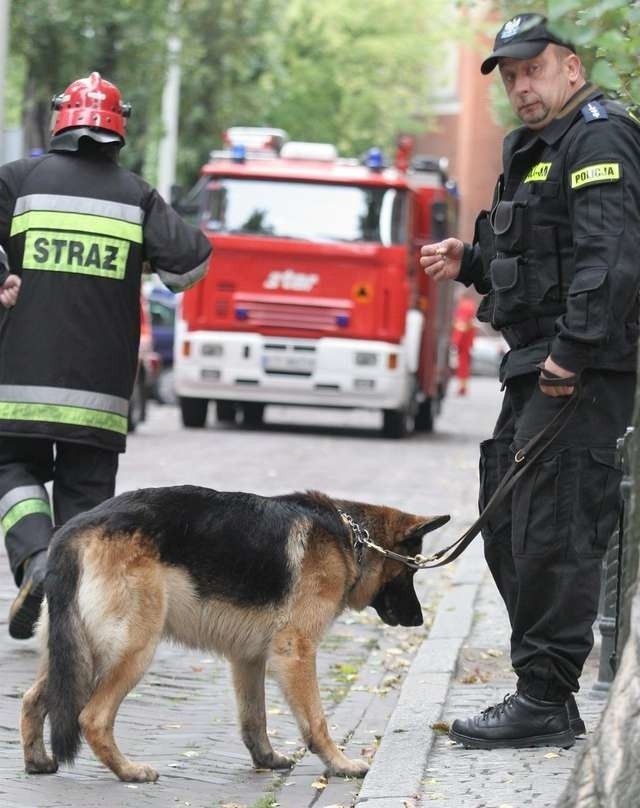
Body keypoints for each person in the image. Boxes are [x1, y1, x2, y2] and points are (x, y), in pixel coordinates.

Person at [420, 13, 640, 749]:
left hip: (580, 374)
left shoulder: (600, 137)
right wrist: (471, 259)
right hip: (536, 368)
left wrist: (571, 357)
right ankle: (546, 689)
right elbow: (540, 254)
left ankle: (545, 697)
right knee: (509, 521)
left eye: (533, 69)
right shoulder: (535, 148)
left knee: (556, 529)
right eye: (510, 75)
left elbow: (609, 263)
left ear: (571, 68)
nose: (521, 85)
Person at [0, 72, 211, 640]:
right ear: (119, 131)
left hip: (18, 384)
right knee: (87, 504)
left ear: (60, 121)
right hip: (100, 395)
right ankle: (67, 616)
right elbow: (190, 264)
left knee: (10, 469)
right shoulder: (136, 195)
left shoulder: (17, 181)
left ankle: (33, 561)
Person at [450, 290, 477, 395]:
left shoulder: (464, 307)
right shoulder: (471, 305)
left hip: (463, 343)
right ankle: (464, 386)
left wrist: (455, 342)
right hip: (468, 341)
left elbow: (461, 326)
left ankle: (462, 387)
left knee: (462, 365)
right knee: (465, 365)